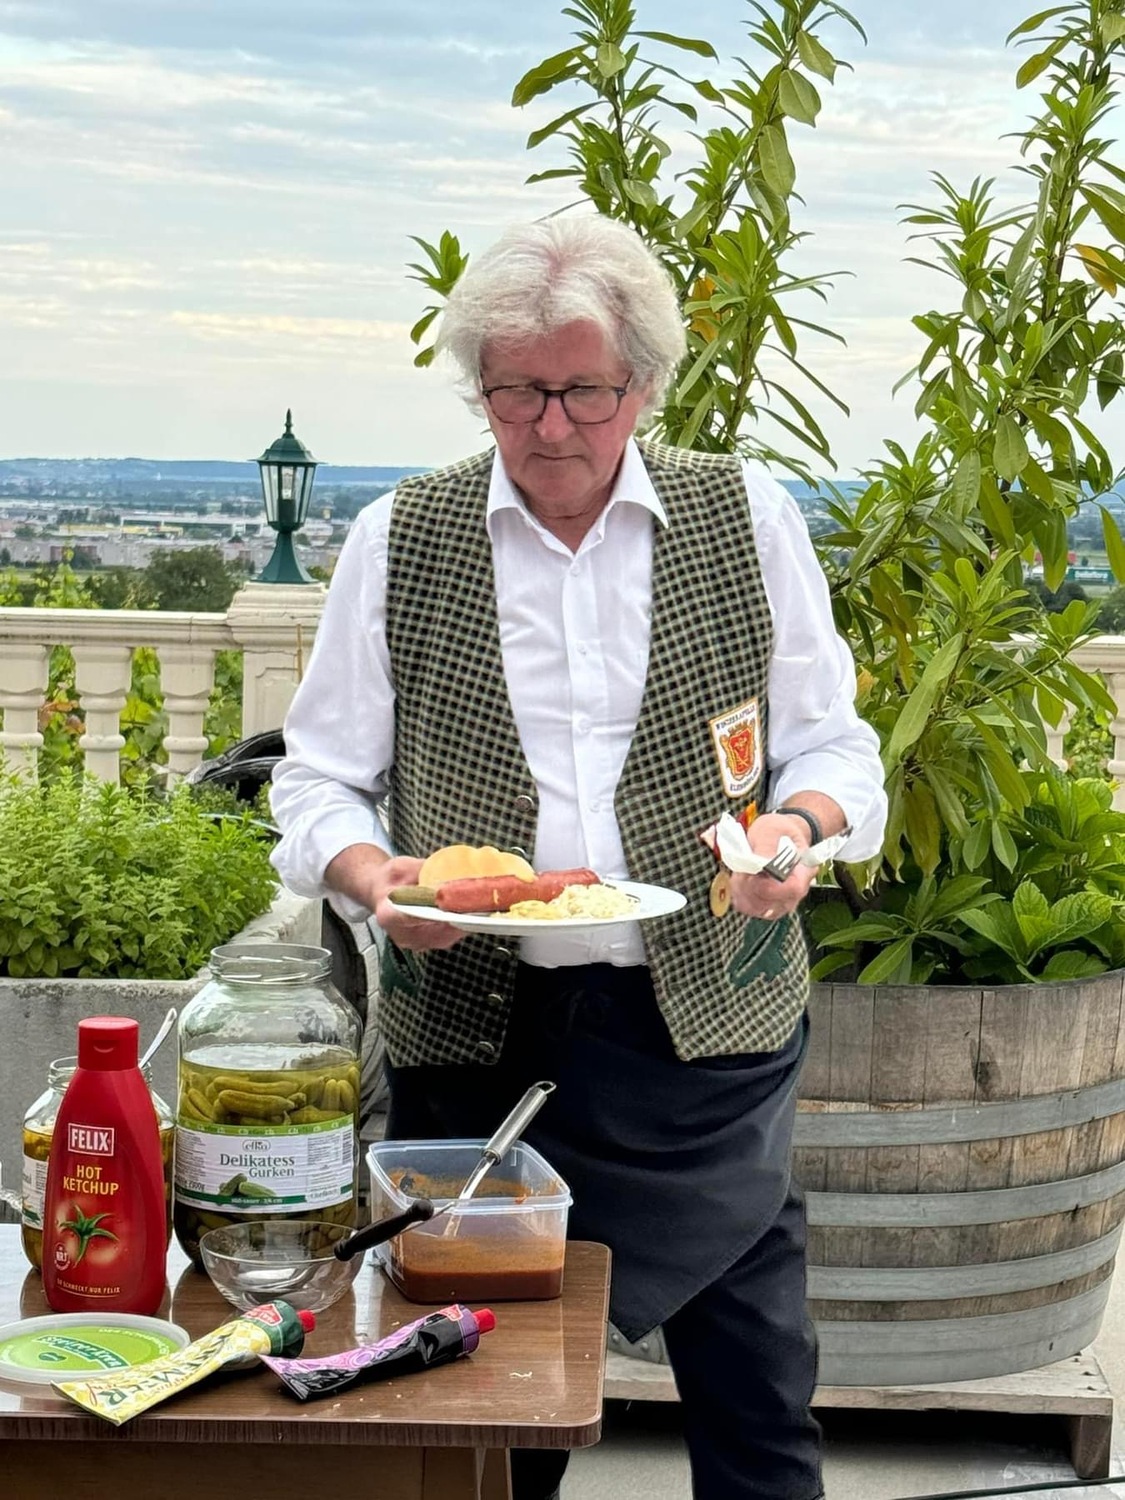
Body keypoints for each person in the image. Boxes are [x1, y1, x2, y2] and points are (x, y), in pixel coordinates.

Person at [270, 213, 887, 1500]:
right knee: (480, 1417)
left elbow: (831, 745)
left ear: (643, 386)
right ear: (480, 387)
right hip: (475, 1033)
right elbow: (319, 775)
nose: (551, 426)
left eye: (584, 392)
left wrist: (796, 833)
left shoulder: (744, 515)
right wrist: (377, 881)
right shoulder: (402, 535)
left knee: (760, 1401)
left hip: (707, 1028)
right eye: (517, 392)